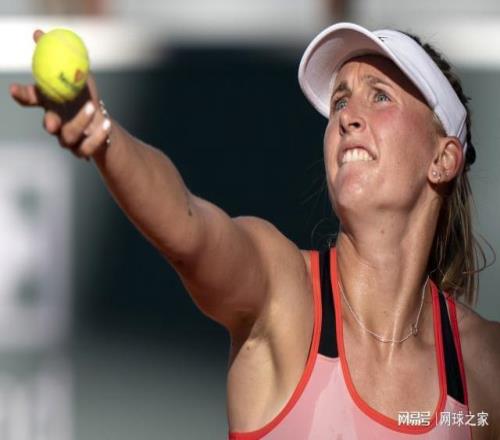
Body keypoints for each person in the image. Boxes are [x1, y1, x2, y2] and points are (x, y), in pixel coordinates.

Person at [10, 22, 500, 439]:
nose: (348, 117)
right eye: (340, 101)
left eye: (380, 96)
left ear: (443, 159)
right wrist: (103, 135)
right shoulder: (283, 295)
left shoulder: (485, 368)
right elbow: (187, 226)